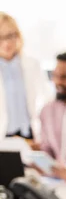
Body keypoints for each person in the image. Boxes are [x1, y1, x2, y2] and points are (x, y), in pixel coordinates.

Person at [0, 12, 50, 140]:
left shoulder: (32, 65)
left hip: (29, 134)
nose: (6, 43)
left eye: (10, 36)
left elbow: (45, 98)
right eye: (1, 37)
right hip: (3, 135)